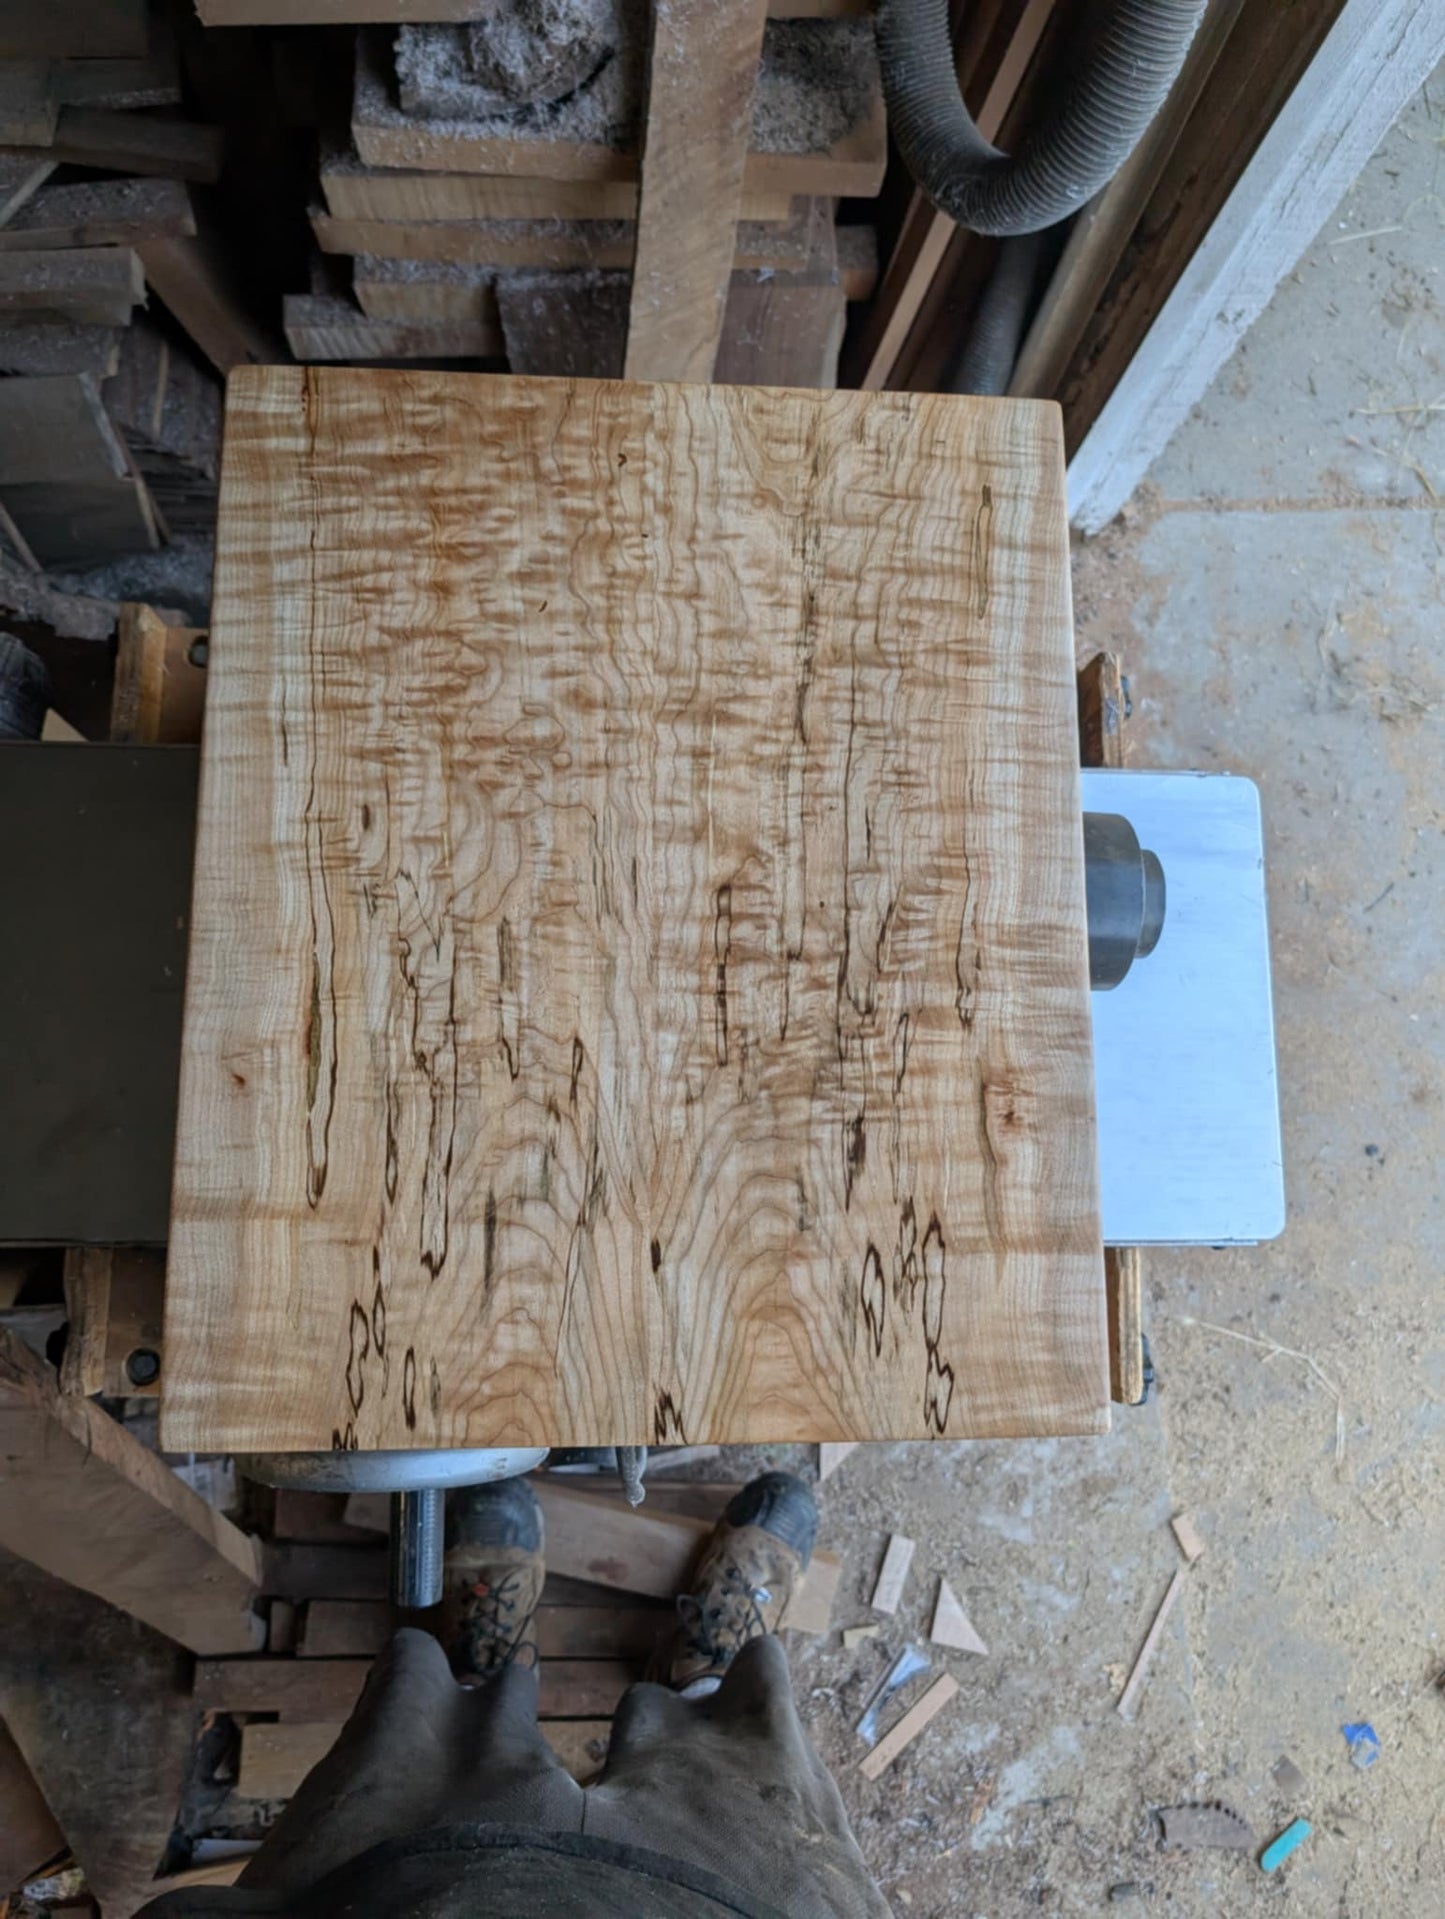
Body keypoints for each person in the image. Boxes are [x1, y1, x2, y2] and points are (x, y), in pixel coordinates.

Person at [141, 1471, 891, 1918]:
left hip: (398, 1891)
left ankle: (478, 1681)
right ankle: (705, 1686)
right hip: (743, 1901)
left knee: (424, 1759)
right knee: (747, 1780)